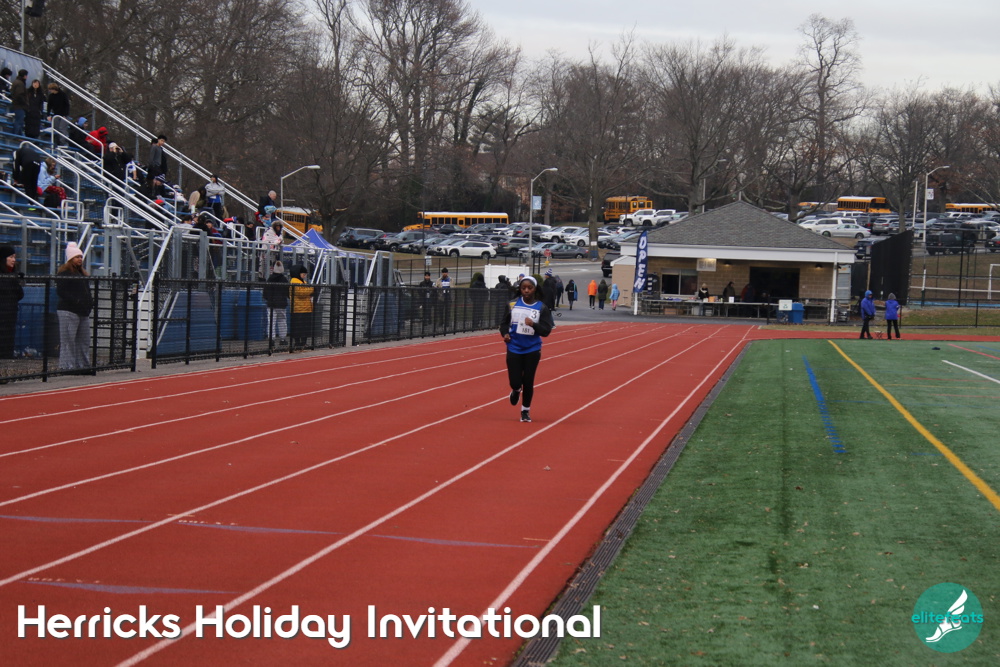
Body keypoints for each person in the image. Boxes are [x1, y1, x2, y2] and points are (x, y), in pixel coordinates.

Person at [500, 276, 554, 423]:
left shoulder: (541, 308)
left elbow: (546, 331)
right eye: (523, 288)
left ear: (535, 289)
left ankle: (525, 411)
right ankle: (516, 390)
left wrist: (533, 325)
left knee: (528, 381)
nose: (526, 291)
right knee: (515, 381)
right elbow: (504, 324)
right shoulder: (512, 304)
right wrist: (505, 334)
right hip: (514, 347)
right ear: (520, 289)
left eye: (529, 288)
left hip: (532, 349)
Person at [56, 242, 93, 372]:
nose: (80, 259)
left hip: (82, 311)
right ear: (71, 258)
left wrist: (89, 303)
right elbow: (61, 291)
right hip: (69, 310)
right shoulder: (65, 273)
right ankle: (67, 366)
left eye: (81, 257)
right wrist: (76, 301)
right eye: (77, 257)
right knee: (68, 340)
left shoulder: (82, 274)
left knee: (84, 340)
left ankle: (82, 365)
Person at [0, 245, 25, 364]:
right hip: (2, 313)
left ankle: (7, 360)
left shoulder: (13, 274)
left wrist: (16, 280)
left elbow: (20, 294)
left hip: (10, 314)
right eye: (10, 257)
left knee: (8, 339)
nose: (13, 260)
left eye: (14, 257)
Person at [263, 261, 289, 345]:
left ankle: (271, 340)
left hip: (271, 304)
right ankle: (282, 339)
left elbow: (265, 293)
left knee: (271, 322)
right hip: (281, 304)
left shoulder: (270, 279)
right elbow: (288, 292)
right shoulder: (284, 280)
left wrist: (269, 299)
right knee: (282, 321)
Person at [289, 265, 314, 348]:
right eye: (303, 274)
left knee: (304, 327)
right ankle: (298, 343)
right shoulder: (294, 281)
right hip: (298, 309)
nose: (304, 276)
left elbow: (304, 291)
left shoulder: (303, 282)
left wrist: (308, 289)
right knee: (299, 327)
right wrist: (311, 289)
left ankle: (302, 343)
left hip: (305, 308)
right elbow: (300, 293)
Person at [10, 70, 28, 135]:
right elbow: (19, 95)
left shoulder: (16, 82)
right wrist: (25, 103)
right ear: (24, 76)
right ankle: (15, 135)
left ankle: (19, 135)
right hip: (19, 106)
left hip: (17, 105)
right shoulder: (20, 83)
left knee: (20, 121)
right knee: (19, 121)